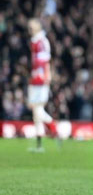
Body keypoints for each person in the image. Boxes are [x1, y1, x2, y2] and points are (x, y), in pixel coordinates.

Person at [26, 18, 56, 152]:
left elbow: (45, 61)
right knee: (36, 113)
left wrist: (47, 76)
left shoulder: (42, 42)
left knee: (37, 111)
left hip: (40, 80)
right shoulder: (35, 42)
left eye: (31, 28)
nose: (29, 30)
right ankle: (40, 144)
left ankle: (54, 129)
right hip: (34, 79)